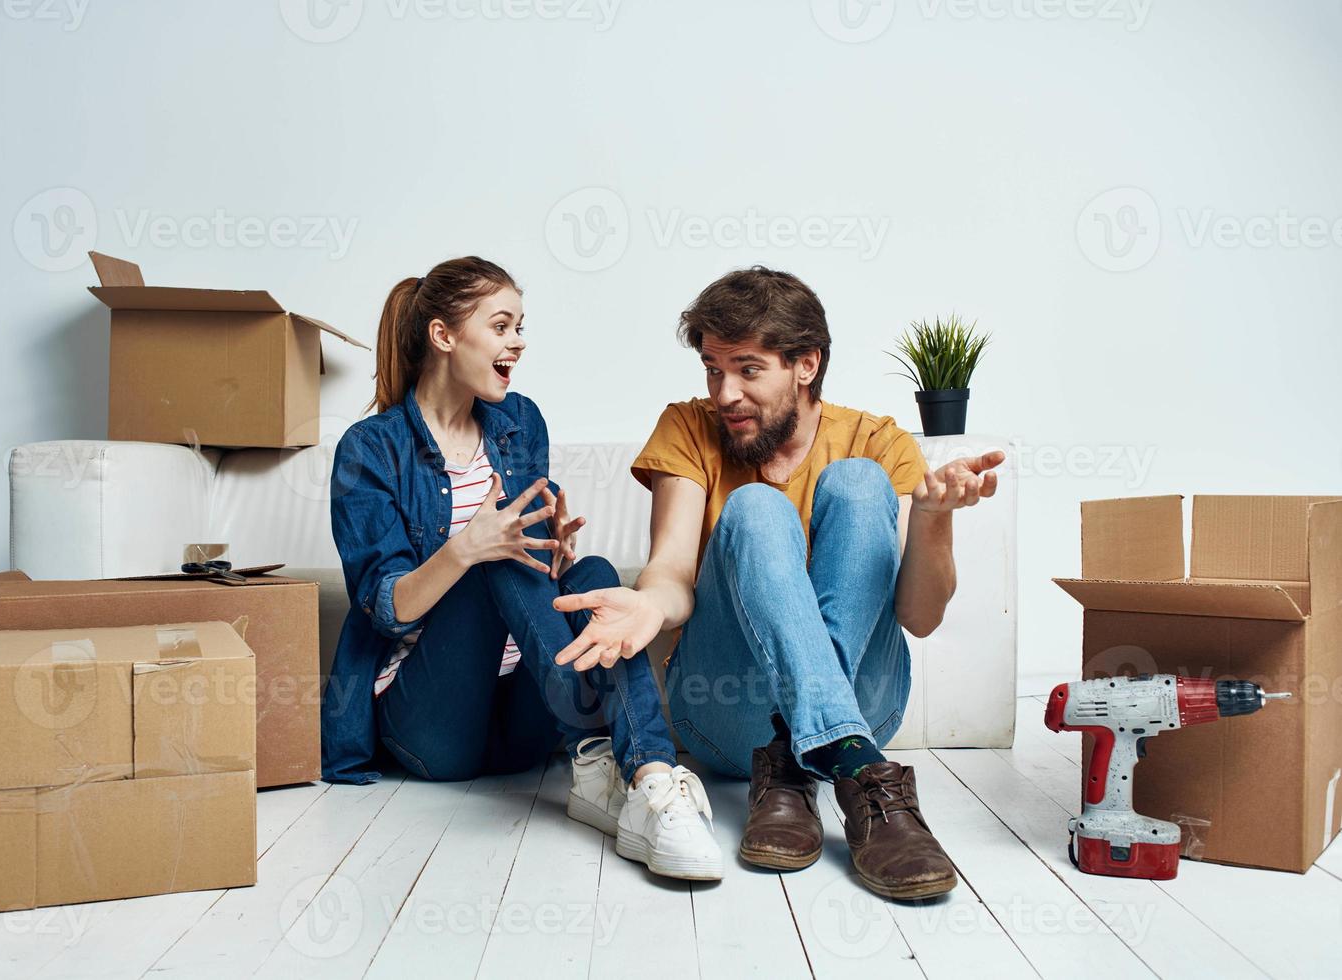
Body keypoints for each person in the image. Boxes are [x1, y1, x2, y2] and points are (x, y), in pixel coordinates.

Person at [552, 267, 1002, 899]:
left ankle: (799, 759)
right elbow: (675, 569)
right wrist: (650, 604)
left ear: (806, 365)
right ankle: (855, 768)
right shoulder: (689, 427)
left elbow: (921, 618)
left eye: (747, 369)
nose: (724, 393)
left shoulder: (875, 440)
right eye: (712, 369)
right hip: (729, 709)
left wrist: (931, 520)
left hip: (867, 699)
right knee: (756, 510)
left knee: (857, 481)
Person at [321, 256, 722, 880]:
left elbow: (538, 571)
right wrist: (467, 548)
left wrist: (551, 551)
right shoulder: (371, 450)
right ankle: (598, 725)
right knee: (493, 561)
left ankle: (645, 777)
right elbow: (385, 605)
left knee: (592, 574)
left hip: (526, 723)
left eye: (521, 327)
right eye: (502, 326)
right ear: (444, 335)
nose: (519, 342)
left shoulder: (519, 423)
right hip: (433, 730)